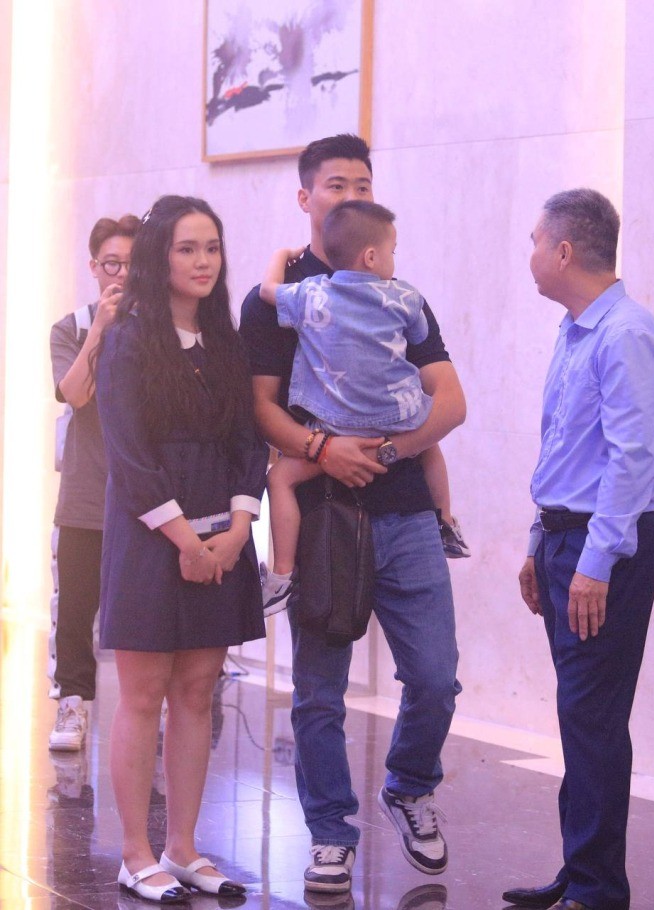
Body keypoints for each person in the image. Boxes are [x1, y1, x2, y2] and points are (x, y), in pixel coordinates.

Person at [240, 133, 465, 895]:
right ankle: (330, 835)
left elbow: (449, 401)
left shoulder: (399, 293)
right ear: (306, 197)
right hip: (322, 513)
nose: (350, 194)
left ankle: (408, 785)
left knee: (434, 679)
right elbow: (259, 408)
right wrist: (322, 448)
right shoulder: (279, 299)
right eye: (336, 184)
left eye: (362, 183)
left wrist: (391, 451)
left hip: (405, 515)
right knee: (319, 694)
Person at [504, 189, 654, 910]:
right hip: (564, 536)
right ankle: (580, 870)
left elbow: (632, 461)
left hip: (604, 545)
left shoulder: (624, 334)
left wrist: (594, 564)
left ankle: (599, 889)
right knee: (579, 714)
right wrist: (537, 542)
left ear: (565, 250)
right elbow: (565, 450)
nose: (531, 254)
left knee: (593, 716)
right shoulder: (576, 331)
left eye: (536, 241)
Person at [96, 195, 268, 903]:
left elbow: (247, 443)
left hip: (221, 538)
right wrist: (186, 541)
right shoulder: (128, 340)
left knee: (197, 693)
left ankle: (183, 846)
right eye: (187, 248)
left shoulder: (226, 341)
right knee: (143, 696)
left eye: (212, 248)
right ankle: (135, 854)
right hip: (150, 540)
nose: (203, 262)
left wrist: (236, 530)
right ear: (157, 255)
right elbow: (130, 456)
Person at [258, 199, 469, 614]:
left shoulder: (312, 294)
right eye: (393, 251)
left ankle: (282, 574)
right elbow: (419, 335)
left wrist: (281, 255)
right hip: (397, 419)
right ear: (371, 257)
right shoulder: (405, 296)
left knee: (280, 478)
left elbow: (267, 292)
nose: (394, 260)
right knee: (428, 444)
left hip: (334, 432)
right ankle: (445, 521)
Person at [48, 214, 141, 751]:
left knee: (144, 614)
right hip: (86, 496)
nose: (122, 274)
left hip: (145, 497)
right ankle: (73, 705)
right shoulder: (72, 327)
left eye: (131, 263)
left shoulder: (161, 326)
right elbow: (76, 394)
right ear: (94, 267)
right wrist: (102, 329)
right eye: (112, 264)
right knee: (76, 612)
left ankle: (147, 711)